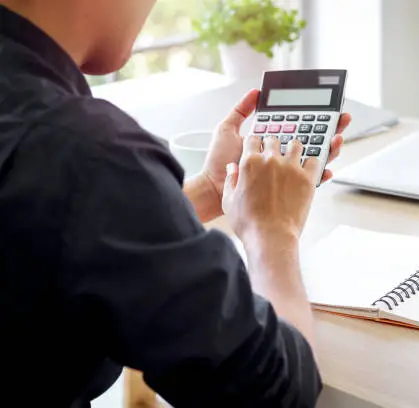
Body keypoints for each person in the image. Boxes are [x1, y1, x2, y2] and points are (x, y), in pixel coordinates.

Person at [0, 1, 351, 407]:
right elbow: (273, 391)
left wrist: (207, 190)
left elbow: (43, 224)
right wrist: (273, 231)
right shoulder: (86, 149)